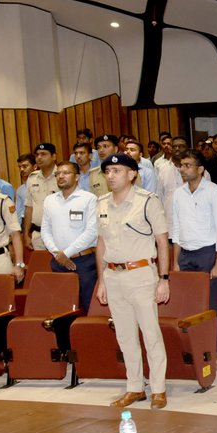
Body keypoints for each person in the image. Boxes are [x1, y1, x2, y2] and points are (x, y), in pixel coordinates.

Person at [96, 153, 171, 410]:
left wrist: (164, 279)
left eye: (117, 170)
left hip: (141, 275)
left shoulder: (147, 201)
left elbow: (162, 241)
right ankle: (135, 387)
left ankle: (158, 389)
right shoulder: (102, 203)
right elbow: (101, 243)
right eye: (108, 171)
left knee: (150, 334)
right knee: (126, 337)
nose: (111, 176)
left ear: (132, 174)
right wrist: (101, 280)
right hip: (113, 276)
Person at [170, 151, 217, 370]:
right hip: (185, 254)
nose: (182, 168)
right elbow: (176, 228)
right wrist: (175, 261)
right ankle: (194, 345)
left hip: (208, 253)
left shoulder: (213, 192)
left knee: (213, 303)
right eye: (181, 165)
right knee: (189, 304)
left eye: (187, 165)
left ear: (200, 169)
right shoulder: (178, 194)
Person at [40, 160, 99, 310]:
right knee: (61, 308)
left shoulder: (89, 199)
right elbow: (45, 230)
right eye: (58, 173)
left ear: (77, 177)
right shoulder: (50, 200)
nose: (61, 176)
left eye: (66, 173)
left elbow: (92, 232)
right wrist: (57, 253)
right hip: (58, 262)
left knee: (86, 306)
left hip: (84, 262)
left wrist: (66, 253)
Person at [24, 143, 60, 250]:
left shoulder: (62, 175)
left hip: (59, 233)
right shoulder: (32, 178)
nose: (39, 157)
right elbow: (29, 207)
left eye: (43, 154)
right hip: (38, 234)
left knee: (61, 265)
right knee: (41, 265)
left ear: (54, 156)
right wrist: (26, 234)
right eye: (37, 155)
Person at [14, 153, 34, 226]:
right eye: (20, 167)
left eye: (25, 166)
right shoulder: (20, 190)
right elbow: (18, 212)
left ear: (35, 166)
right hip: (25, 222)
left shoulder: (43, 185)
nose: (21, 169)